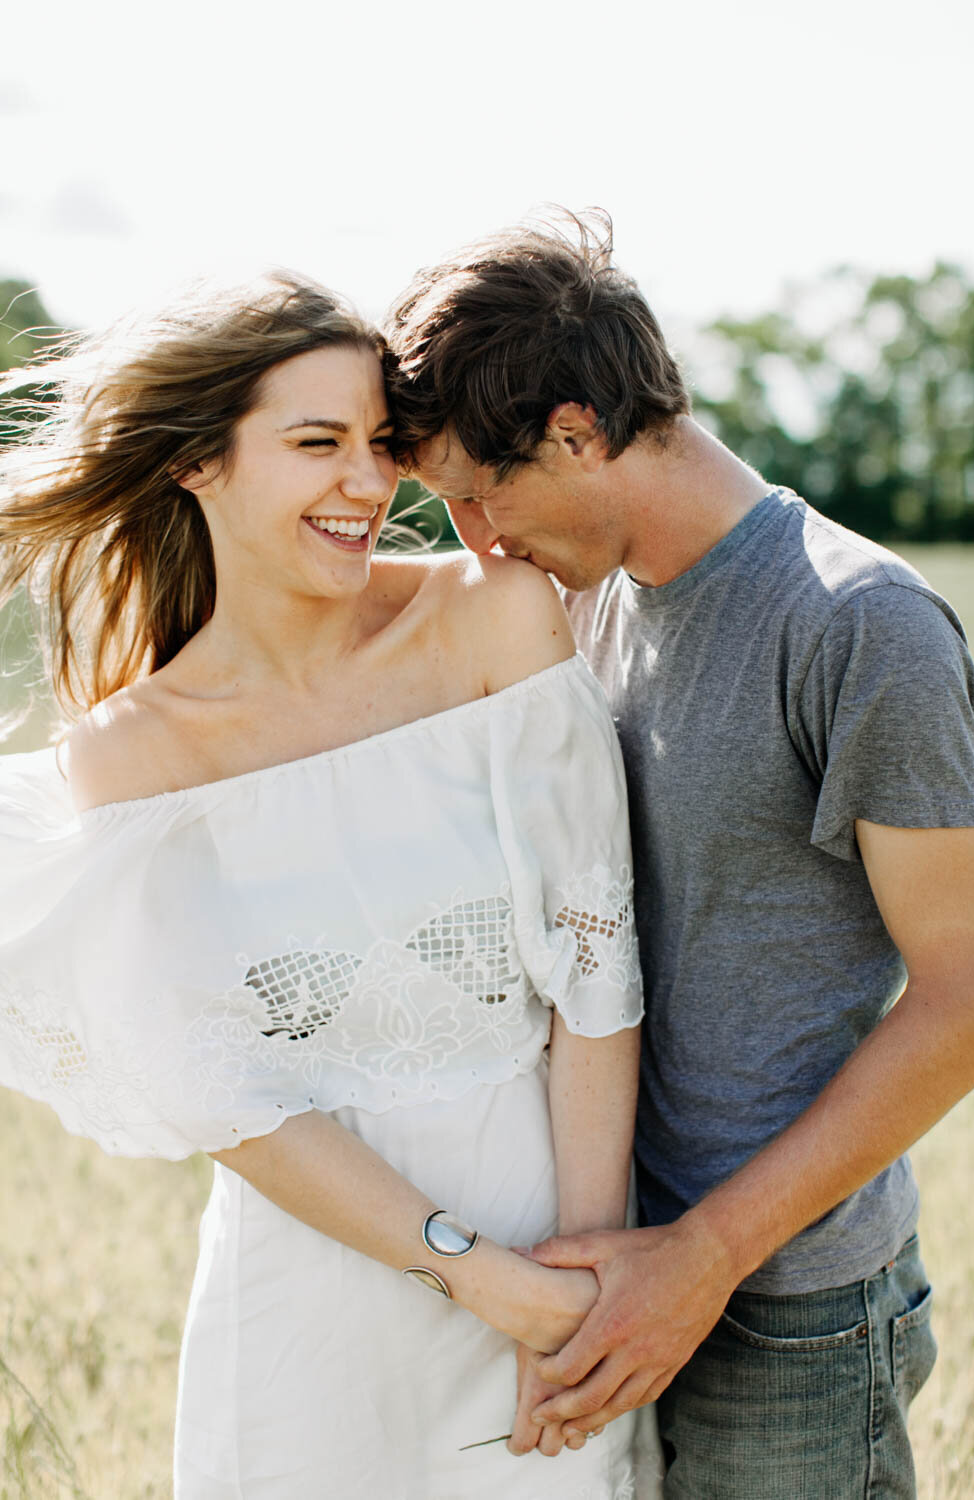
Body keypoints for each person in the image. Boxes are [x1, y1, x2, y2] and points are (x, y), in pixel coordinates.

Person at [0, 271, 663, 1499]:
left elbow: (593, 973)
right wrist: (477, 1278)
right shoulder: (130, 754)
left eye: (379, 443)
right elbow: (232, 1099)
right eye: (317, 444)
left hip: (558, 1247)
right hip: (309, 1301)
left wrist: (580, 1281)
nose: (368, 484)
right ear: (198, 463)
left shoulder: (495, 621)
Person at [384, 210, 974, 1499]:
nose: (478, 545)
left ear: (577, 430)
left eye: (481, 499)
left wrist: (707, 1254)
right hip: (619, 1269)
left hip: (790, 1313)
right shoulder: (589, 601)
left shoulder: (856, 625)